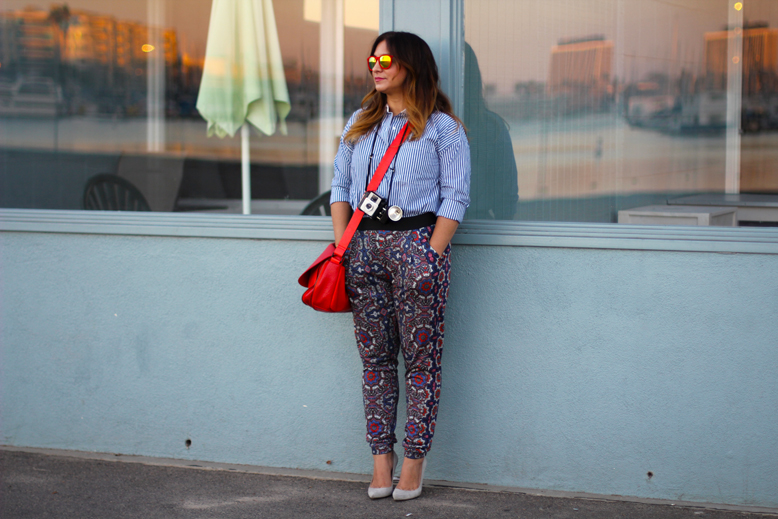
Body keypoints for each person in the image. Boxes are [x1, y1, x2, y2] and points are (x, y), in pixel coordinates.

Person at [330, 31, 470, 501]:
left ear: (410, 64)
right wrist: (343, 248)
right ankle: (380, 463)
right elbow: (340, 190)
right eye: (372, 57)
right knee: (374, 363)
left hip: (417, 245)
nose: (376, 64)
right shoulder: (360, 121)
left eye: (386, 57)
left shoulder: (442, 128)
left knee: (422, 364)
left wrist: (431, 254)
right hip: (363, 250)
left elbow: (456, 197)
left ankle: (414, 464)